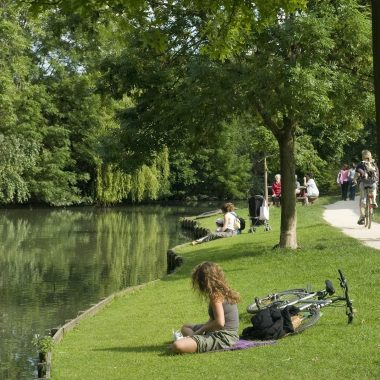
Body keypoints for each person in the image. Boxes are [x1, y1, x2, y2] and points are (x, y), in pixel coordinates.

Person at [171, 261, 240, 354]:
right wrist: (202, 330)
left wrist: (200, 331)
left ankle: (189, 341)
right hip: (225, 333)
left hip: (224, 337)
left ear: (204, 281)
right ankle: (191, 340)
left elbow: (220, 323)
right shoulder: (221, 291)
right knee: (185, 327)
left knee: (177, 346)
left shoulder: (216, 296)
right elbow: (213, 319)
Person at [355, 150, 378, 225]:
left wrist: (354, 180)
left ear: (362, 156)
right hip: (372, 183)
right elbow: (377, 173)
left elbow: (357, 174)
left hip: (363, 183)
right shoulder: (373, 163)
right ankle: (374, 201)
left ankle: (362, 217)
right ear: (370, 156)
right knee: (374, 189)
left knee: (362, 199)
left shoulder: (360, 164)